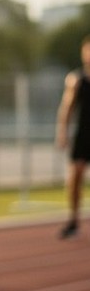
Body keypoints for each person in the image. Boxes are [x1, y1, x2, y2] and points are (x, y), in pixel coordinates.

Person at [55, 35, 90, 239]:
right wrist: (62, 133)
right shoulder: (76, 80)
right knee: (75, 175)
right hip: (83, 134)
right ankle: (73, 220)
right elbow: (66, 108)